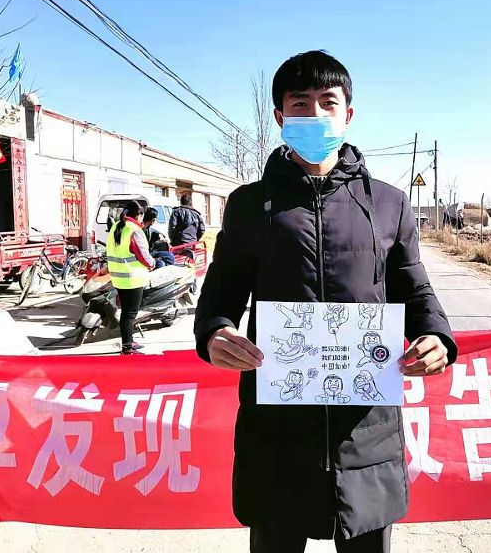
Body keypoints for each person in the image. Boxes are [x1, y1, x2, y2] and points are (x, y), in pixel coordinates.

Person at [194, 50, 456, 553]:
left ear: (347, 114)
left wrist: (436, 336)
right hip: (277, 431)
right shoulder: (249, 205)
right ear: (279, 116)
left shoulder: (388, 203)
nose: (314, 114)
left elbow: (413, 287)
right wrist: (214, 333)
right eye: (300, 103)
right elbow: (221, 292)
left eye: (327, 102)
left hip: (366, 430)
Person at [107, 200, 154, 355]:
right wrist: (152, 263)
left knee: (126, 313)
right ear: (139, 215)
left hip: (118, 278)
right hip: (133, 278)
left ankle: (129, 341)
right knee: (130, 314)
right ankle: (127, 347)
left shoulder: (116, 226)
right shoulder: (134, 230)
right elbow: (143, 255)